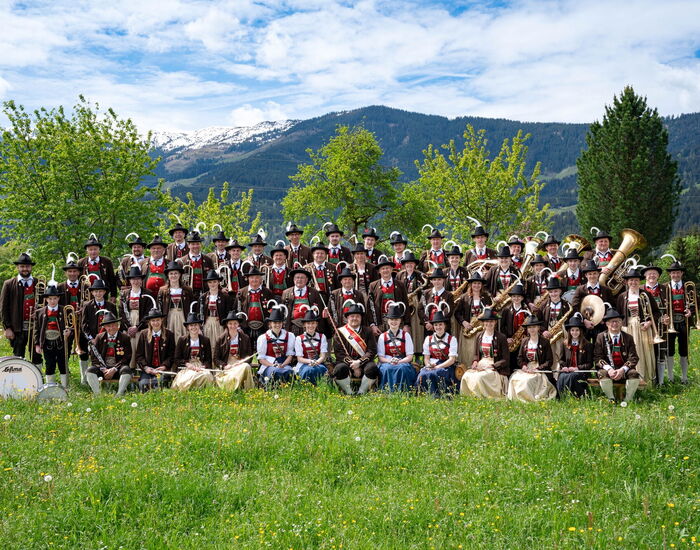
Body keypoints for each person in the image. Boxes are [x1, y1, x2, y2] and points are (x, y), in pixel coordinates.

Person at [617, 268, 659, 383]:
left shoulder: (646, 294)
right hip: (627, 328)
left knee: (644, 352)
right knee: (630, 352)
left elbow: (656, 313)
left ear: (639, 281)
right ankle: (630, 378)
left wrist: (649, 322)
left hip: (643, 328)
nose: (633, 282)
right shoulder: (622, 296)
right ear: (627, 282)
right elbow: (619, 315)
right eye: (631, 280)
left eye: (636, 280)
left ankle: (646, 379)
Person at [0, 252, 42, 367]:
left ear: (31, 267)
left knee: (37, 355)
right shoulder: (8, 284)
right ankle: (18, 377)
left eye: (27, 266)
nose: (25, 269)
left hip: (36, 327)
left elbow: (45, 304)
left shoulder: (39, 283)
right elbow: (3, 308)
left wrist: (38, 313)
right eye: (22, 266)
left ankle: (38, 376)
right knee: (18, 356)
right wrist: (7, 327)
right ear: (17, 267)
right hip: (17, 327)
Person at [593, 308, 641, 405]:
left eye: (617, 321)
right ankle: (611, 399)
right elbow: (597, 357)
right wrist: (609, 369)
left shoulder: (628, 338)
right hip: (608, 369)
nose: (615, 324)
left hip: (623, 369)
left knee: (634, 374)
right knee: (602, 373)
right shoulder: (601, 337)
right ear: (607, 324)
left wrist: (622, 370)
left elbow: (633, 357)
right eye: (612, 322)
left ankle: (627, 400)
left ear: (621, 323)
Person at [460, 308, 509, 398]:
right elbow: (476, 354)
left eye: (491, 321)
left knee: (480, 377)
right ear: (483, 323)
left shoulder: (501, 337)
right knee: (466, 375)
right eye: (486, 321)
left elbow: (506, 359)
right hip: (481, 363)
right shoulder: (479, 335)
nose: (489, 324)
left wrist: (492, 366)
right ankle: (469, 397)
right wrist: (475, 362)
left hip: (494, 366)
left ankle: (482, 397)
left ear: (495, 322)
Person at [508, 315, 557, 402]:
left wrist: (537, 369)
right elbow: (519, 358)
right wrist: (523, 366)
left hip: (540, 370)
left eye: (534, 327)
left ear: (538, 328)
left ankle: (527, 399)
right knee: (514, 378)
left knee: (526, 381)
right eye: (529, 327)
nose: (532, 329)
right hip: (527, 368)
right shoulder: (524, 341)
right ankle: (517, 398)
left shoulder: (545, 342)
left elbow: (549, 361)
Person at [333, 303, 379, 395]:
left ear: (361, 318)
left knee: (373, 368)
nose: (355, 318)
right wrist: (353, 365)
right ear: (347, 318)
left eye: (357, 316)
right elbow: (339, 353)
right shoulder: (340, 332)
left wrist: (359, 362)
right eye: (352, 316)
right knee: (339, 369)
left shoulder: (368, 331)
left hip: (364, 363)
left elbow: (372, 351)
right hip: (346, 363)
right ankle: (349, 392)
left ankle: (361, 391)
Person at [79, 278, 118, 384]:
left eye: (100, 291)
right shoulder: (87, 305)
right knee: (95, 359)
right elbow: (84, 325)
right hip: (93, 338)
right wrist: (91, 339)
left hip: (108, 337)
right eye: (96, 291)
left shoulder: (111, 306)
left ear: (104, 292)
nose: (98, 293)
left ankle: (108, 376)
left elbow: (115, 323)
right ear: (92, 292)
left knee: (107, 356)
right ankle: (91, 379)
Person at [33, 285, 72, 389]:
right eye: (50, 299)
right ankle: (50, 387)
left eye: (55, 298)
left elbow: (71, 326)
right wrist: (37, 344)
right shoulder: (39, 312)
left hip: (61, 342)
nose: (52, 301)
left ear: (58, 298)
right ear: (46, 299)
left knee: (63, 364)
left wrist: (69, 332)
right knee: (49, 364)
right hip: (47, 343)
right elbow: (36, 330)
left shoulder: (65, 310)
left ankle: (65, 387)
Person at [85, 312, 133, 397]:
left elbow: (127, 357)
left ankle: (119, 394)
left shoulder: (125, 338)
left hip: (118, 369)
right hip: (103, 369)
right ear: (105, 327)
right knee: (90, 370)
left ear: (118, 325)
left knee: (126, 370)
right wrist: (103, 369)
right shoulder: (99, 337)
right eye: (108, 326)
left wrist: (114, 369)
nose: (111, 328)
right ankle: (98, 395)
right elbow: (94, 358)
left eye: (114, 325)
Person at [663, 260, 695, 383]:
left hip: (683, 321)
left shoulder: (688, 287)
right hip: (670, 322)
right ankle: (670, 377)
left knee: (684, 349)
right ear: (670, 274)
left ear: (681, 273)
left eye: (677, 272)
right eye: (673, 273)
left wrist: (691, 311)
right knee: (669, 350)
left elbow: (696, 302)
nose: (675, 275)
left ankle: (684, 377)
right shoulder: (665, 287)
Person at [454, 272, 493, 369]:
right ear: (471, 285)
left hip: (482, 327)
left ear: (482, 285)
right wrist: (464, 322)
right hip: (468, 328)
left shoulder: (486, 297)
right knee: (468, 351)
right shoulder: (464, 297)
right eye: (474, 283)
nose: (477, 285)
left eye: (479, 283)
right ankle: (466, 369)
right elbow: (457, 313)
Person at [119, 266, 155, 368]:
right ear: (130, 281)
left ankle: (141, 369)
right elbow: (121, 312)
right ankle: (129, 370)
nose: (136, 281)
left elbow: (149, 313)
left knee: (140, 348)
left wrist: (137, 327)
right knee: (129, 348)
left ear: (141, 280)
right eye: (133, 279)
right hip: (128, 325)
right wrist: (129, 327)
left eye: (138, 279)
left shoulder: (148, 293)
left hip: (142, 326)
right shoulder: (124, 294)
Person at [376, 303, 417, 391]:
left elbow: (410, 356)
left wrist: (400, 361)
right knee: (387, 368)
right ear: (388, 321)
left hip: (403, 361)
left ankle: (403, 390)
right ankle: (387, 391)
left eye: (396, 319)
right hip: (387, 362)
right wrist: (390, 361)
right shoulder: (382, 336)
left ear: (400, 321)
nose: (394, 322)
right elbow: (381, 357)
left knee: (402, 368)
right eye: (391, 319)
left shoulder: (406, 335)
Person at [534, 277, 572, 369]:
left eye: (556, 291)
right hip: (548, 334)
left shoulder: (566, 305)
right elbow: (537, 322)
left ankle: (559, 370)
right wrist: (543, 331)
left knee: (560, 353)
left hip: (562, 334)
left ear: (560, 291)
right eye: (551, 292)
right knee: (549, 354)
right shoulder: (543, 306)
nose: (553, 294)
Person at [417, 310, 458, 396]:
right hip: (432, 364)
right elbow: (426, 358)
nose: (438, 327)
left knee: (436, 373)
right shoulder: (428, 339)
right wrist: (428, 365)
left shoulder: (452, 339)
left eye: (440, 324)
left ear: (444, 325)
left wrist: (437, 367)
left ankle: (438, 394)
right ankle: (425, 394)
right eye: (436, 325)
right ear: (433, 326)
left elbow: (452, 360)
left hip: (446, 366)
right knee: (423, 374)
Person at [135, 307, 175, 392]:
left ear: (162, 320)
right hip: (148, 369)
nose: (156, 323)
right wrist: (146, 367)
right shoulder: (143, 334)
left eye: (158, 320)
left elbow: (172, 355)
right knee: (144, 385)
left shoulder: (169, 334)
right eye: (153, 320)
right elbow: (139, 355)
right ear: (149, 322)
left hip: (162, 370)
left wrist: (164, 366)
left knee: (161, 384)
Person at [171, 311, 214, 390]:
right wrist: (187, 364)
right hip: (187, 367)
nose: (193, 327)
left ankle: (200, 390)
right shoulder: (182, 340)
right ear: (187, 327)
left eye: (196, 325)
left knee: (207, 376)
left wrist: (204, 366)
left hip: (201, 366)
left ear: (199, 326)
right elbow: (177, 359)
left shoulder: (205, 340)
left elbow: (208, 359)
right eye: (191, 325)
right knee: (185, 380)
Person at [214, 310, 255, 391]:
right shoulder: (221, 339)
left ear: (238, 324)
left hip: (240, 365)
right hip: (227, 367)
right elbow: (216, 358)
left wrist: (241, 362)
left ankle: (247, 390)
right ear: (227, 324)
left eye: (235, 323)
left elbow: (249, 356)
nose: (233, 326)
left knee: (246, 366)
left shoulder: (245, 338)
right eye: (230, 323)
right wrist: (224, 366)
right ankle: (233, 388)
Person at [368, 257, 410, 334]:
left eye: (387, 268)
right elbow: (370, 307)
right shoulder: (373, 286)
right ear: (379, 271)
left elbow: (406, 304)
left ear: (391, 269)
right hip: (380, 323)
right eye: (383, 269)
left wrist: (407, 324)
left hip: (397, 322)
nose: (385, 270)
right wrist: (372, 325)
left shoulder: (400, 285)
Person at [256, 306, 296, 386]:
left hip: (284, 363)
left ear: (282, 323)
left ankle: (287, 389)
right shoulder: (263, 338)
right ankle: (273, 388)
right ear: (270, 324)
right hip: (269, 364)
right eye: (275, 323)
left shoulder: (289, 336)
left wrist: (283, 365)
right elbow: (261, 359)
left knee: (289, 371)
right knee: (275, 371)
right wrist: (273, 365)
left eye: (279, 322)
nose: (277, 325)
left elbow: (290, 356)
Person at [395, 252, 426, 353]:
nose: (409, 265)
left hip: (416, 302)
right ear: (404, 264)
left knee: (417, 328)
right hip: (403, 303)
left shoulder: (420, 275)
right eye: (407, 263)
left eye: (411, 263)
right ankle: (404, 351)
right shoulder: (399, 275)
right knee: (403, 326)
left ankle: (417, 352)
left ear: (415, 264)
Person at [557, 313, 593, 398]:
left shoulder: (587, 345)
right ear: (569, 331)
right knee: (562, 376)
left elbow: (590, 364)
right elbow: (561, 359)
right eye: (572, 330)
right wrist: (564, 367)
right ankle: (562, 396)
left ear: (581, 331)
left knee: (573, 376)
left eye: (577, 330)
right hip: (568, 370)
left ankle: (575, 397)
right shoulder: (565, 344)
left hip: (581, 371)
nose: (574, 332)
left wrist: (577, 368)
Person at [157, 261, 193, 343]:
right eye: (171, 274)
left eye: (176, 273)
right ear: (168, 276)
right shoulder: (163, 290)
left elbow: (191, 306)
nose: (173, 276)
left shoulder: (187, 290)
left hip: (183, 316)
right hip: (169, 317)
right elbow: (159, 307)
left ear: (180, 275)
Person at [280, 269, 323, 336]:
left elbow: (319, 310)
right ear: (293, 279)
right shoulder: (286, 293)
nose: (299, 280)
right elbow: (283, 311)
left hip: (309, 326)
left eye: (302, 278)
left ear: (306, 280)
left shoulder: (314, 292)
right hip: (292, 325)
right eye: (297, 277)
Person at [294, 308, 330, 386]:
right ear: (304, 325)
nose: (311, 326)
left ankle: (321, 388)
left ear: (316, 324)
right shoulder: (299, 338)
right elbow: (299, 358)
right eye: (308, 323)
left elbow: (322, 356)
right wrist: (310, 361)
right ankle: (306, 388)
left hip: (318, 363)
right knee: (308, 370)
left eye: (313, 323)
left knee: (321, 369)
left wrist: (316, 362)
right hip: (304, 364)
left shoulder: (322, 337)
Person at [237, 267, 274, 342]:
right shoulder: (241, 292)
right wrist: (238, 326)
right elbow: (236, 310)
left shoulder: (268, 292)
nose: (254, 280)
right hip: (245, 328)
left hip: (264, 327)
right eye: (252, 277)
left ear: (261, 279)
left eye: (257, 277)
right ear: (248, 279)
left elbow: (272, 310)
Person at [78, 234, 118, 300]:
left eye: (95, 249)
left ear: (99, 250)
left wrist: (113, 295)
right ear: (87, 251)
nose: (93, 252)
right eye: (90, 250)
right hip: (87, 295)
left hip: (103, 295)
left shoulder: (107, 261)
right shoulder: (81, 263)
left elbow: (112, 280)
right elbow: (79, 280)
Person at [179, 231, 215, 301]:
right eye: (193, 244)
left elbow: (213, 278)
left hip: (205, 293)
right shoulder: (182, 261)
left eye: (197, 244)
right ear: (188, 245)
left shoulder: (208, 260)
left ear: (200, 245)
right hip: (187, 294)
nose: (195, 246)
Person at [419, 267, 454, 336]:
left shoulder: (449, 295)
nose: (437, 282)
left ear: (443, 280)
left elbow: (448, 311)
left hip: (443, 328)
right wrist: (426, 323)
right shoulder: (425, 293)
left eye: (439, 279)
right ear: (431, 281)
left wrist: (437, 325)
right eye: (434, 280)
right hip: (428, 328)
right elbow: (420, 309)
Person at [200, 270, 232, 344]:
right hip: (207, 324)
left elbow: (228, 313)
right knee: (209, 344)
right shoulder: (203, 297)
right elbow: (199, 313)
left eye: (214, 282)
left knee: (220, 344)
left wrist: (226, 326)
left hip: (220, 325)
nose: (212, 284)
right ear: (207, 283)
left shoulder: (225, 297)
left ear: (218, 282)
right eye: (210, 282)